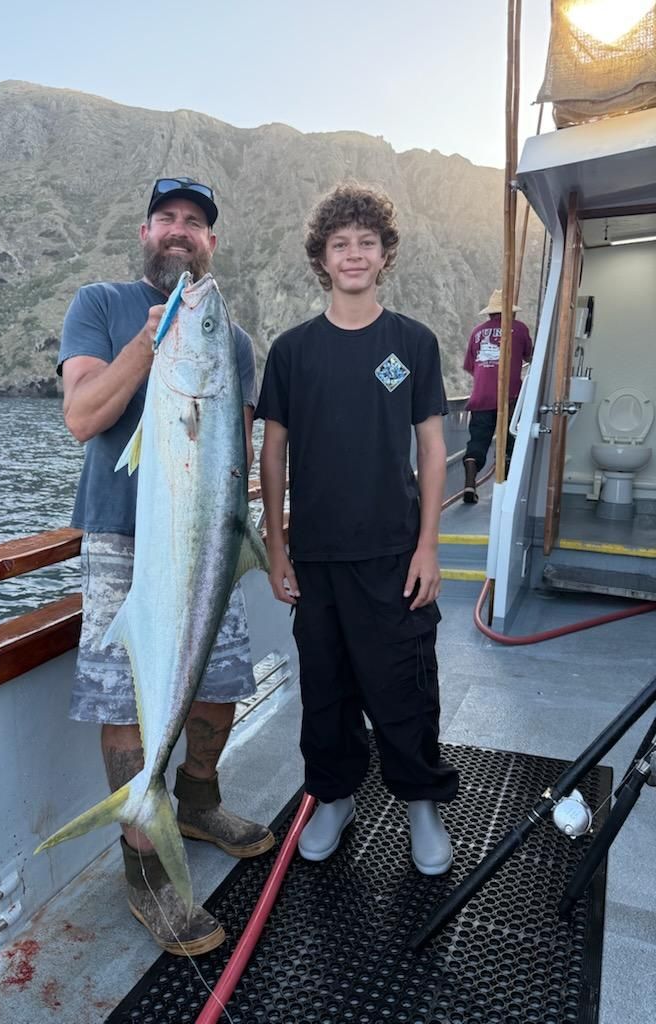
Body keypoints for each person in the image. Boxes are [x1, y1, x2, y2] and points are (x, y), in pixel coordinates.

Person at [57, 176, 274, 957]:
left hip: (209, 539)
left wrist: (255, 542)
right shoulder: (100, 305)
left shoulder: (232, 341)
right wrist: (153, 343)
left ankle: (196, 801)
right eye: (168, 219)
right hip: (123, 541)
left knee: (220, 690)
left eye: (196, 223)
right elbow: (84, 417)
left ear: (211, 243)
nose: (180, 231)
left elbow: (232, 453)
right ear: (146, 231)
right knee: (129, 697)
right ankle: (144, 864)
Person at [256, 182, 459, 875]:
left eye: (365, 243)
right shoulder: (292, 351)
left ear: (385, 254)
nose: (353, 255)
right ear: (321, 257)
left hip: (392, 550)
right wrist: (277, 545)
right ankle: (334, 796)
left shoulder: (411, 345)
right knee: (325, 686)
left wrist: (430, 545)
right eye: (339, 244)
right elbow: (273, 451)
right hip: (314, 555)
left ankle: (421, 802)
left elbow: (432, 448)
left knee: (402, 684)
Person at [462, 289, 533, 503]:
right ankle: (506, 491)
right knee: (510, 442)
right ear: (510, 312)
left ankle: (469, 485)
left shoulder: (477, 332)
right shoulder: (519, 328)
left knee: (478, 441)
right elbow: (529, 356)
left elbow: (470, 366)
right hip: (510, 397)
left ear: (490, 313)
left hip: (481, 397)